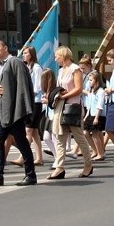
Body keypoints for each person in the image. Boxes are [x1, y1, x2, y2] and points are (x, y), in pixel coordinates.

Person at [0, 39, 38, 187]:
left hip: (14, 111)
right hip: (2, 111)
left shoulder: (15, 62)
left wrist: (22, 110)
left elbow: (23, 87)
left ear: (6, 48)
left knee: (21, 142)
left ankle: (30, 175)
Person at [42, 46, 94, 182]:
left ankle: (88, 164)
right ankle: (59, 167)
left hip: (73, 107)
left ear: (63, 56)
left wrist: (63, 96)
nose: (55, 58)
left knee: (79, 137)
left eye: (57, 56)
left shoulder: (75, 69)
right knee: (59, 137)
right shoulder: (60, 71)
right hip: (60, 107)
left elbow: (78, 89)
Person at [84, 70, 107, 160]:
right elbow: (89, 105)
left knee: (95, 134)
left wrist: (97, 118)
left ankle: (100, 153)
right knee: (86, 133)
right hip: (91, 114)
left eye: (91, 80)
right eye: (89, 80)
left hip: (98, 115)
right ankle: (96, 150)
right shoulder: (92, 91)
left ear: (97, 81)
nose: (89, 82)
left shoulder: (100, 91)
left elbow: (100, 105)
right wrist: (86, 116)